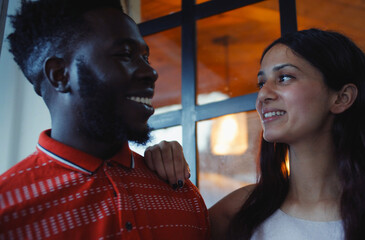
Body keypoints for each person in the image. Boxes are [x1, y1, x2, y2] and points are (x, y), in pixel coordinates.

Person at [146, 28, 365, 240]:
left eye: (284, 78)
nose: (263, 96)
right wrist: (157, 170)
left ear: (341, 98)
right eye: (261, 83)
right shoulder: (238, 212)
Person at [0, 0, 209, 239]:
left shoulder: (183, 196)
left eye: (145, 58)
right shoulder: (8, 213)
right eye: (124, 55)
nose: (151, 72)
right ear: (60, 75)